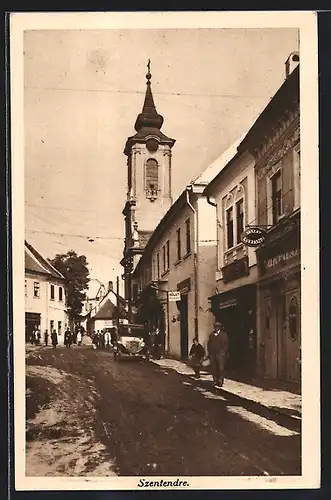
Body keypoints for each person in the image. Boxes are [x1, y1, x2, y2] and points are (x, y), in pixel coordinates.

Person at [207, 322, 229, 388]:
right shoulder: (211, 335)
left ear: (220, 327)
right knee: (214, 368)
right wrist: (209, 352)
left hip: (220, 354)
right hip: (212, 354)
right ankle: (215, 381)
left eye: (217, 327)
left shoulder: (224, 335)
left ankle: (220, 381)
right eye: (215, 327)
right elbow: (209, 344)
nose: (216, 328)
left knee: (220, 368)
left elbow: (226, 345)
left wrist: (223, 352)